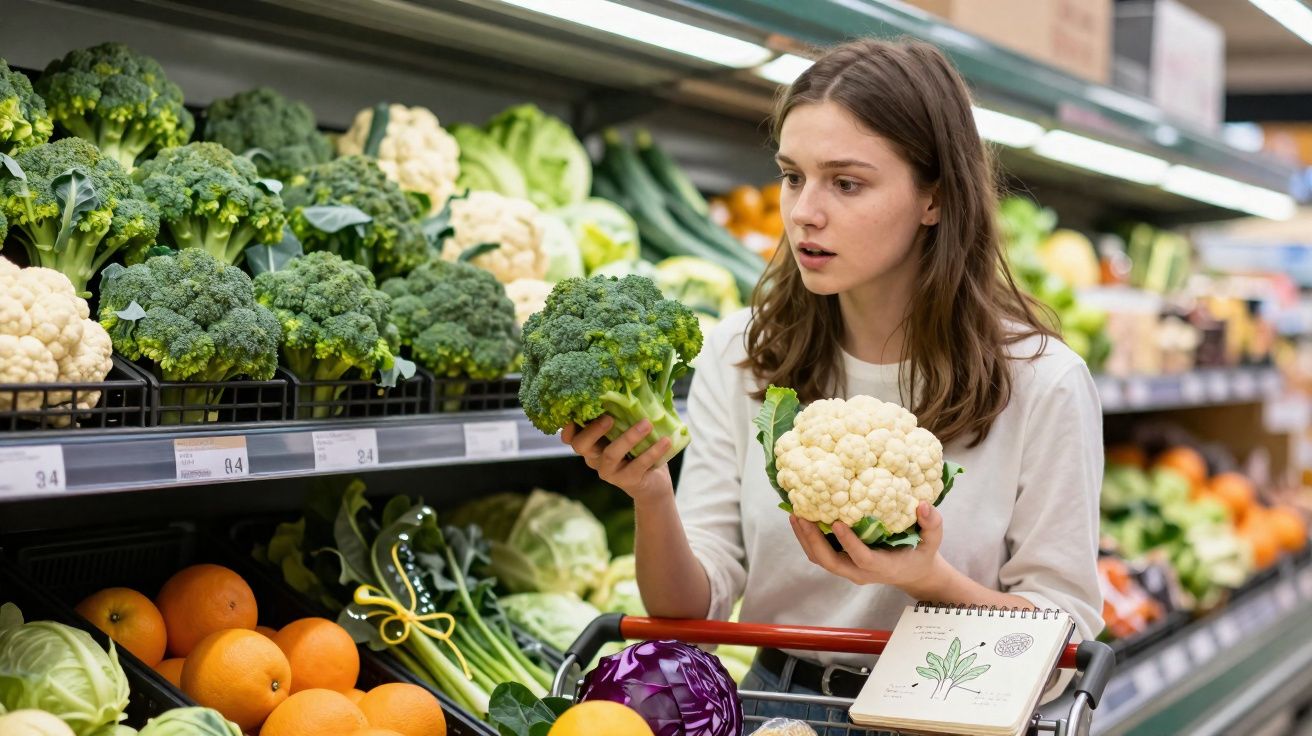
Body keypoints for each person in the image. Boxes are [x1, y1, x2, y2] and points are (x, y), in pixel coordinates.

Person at [562, 38, 1103, 731]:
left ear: (934, 196)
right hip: (773, 708)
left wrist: (926, 581)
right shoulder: (742, 351)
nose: (804, 213)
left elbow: (1065, 642)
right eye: (793, 176)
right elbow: (684, 614)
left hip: (954, 713)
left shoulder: (1043, 382)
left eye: (846, 183)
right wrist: (651, 494)